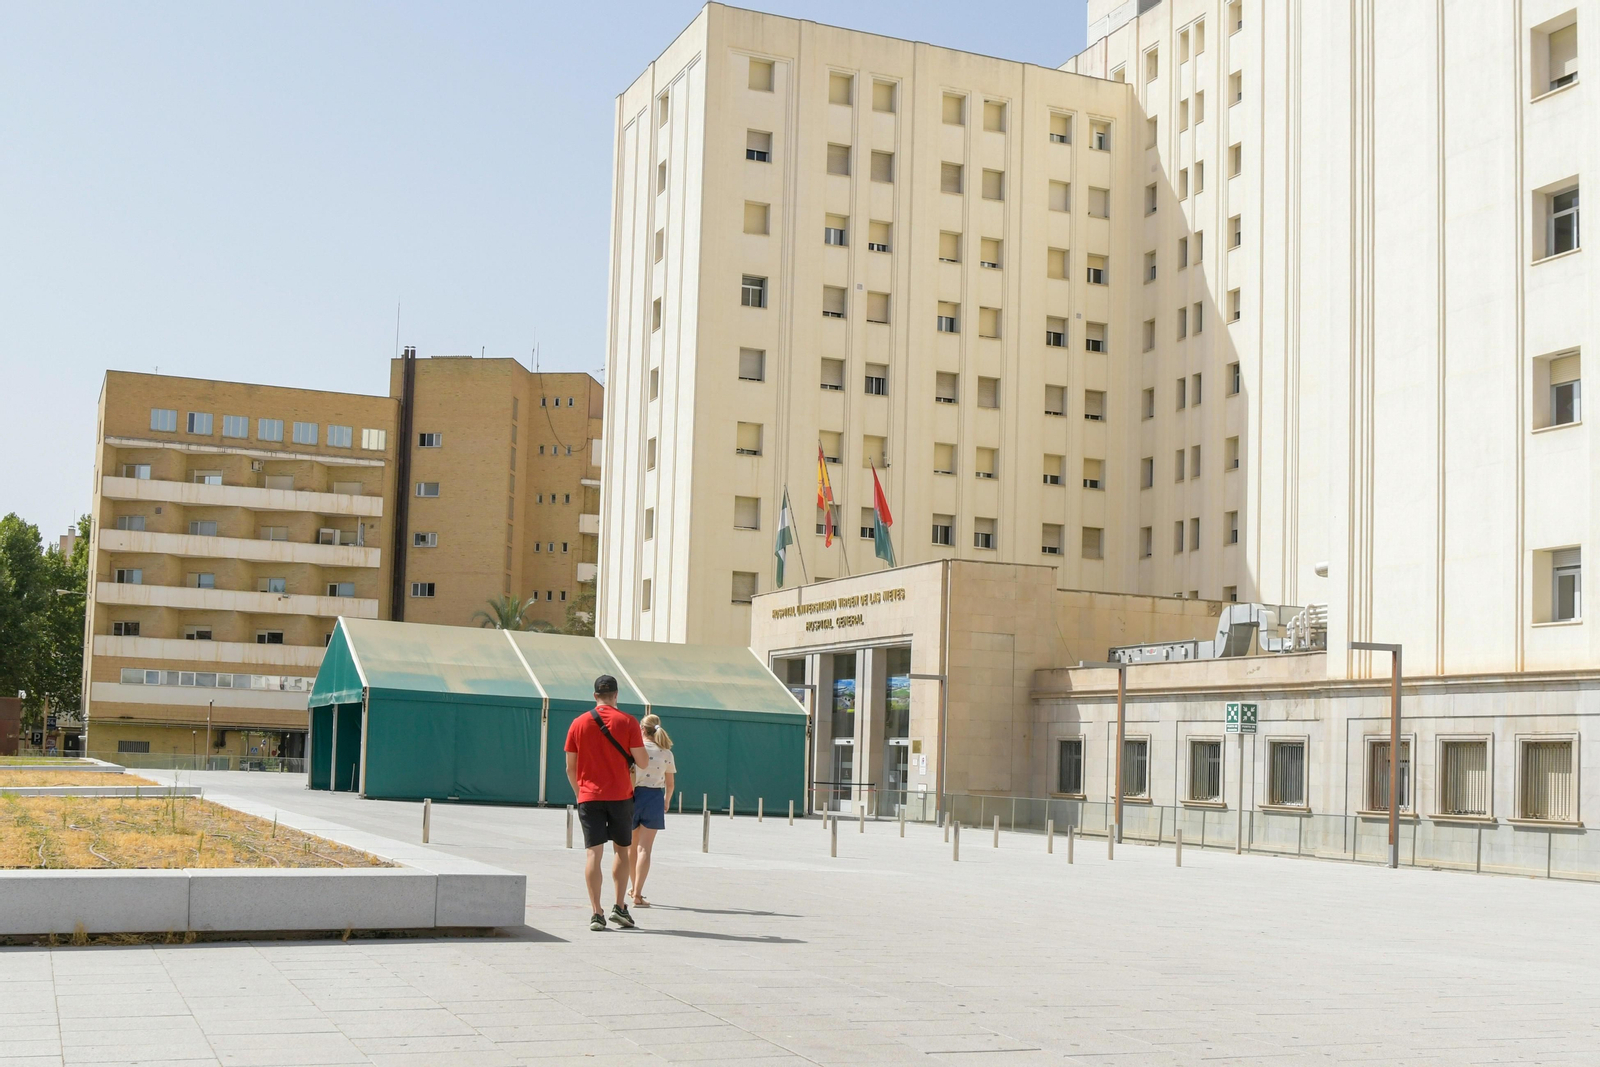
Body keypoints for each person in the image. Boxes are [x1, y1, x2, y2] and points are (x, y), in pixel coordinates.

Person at [564, 674, 647, 931]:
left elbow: (570, 768)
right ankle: (620, 906)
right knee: (622, 850)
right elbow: (643, 762)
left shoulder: (578, 723)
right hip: (621, 795)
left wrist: (580, 793)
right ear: (616, 695)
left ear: (594, 696)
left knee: (593, 854)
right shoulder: (629, 722)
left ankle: (596, 913)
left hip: (589, 797)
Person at [629, 714, 676, 908]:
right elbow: (671, 784)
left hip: (632, 797)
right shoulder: (666, 753)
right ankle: (638, 893)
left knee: (631, 847)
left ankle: (632, 887)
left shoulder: (635, 750)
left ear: (641, 728)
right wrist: (666, 800)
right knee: (645, 849)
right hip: (655, 797)